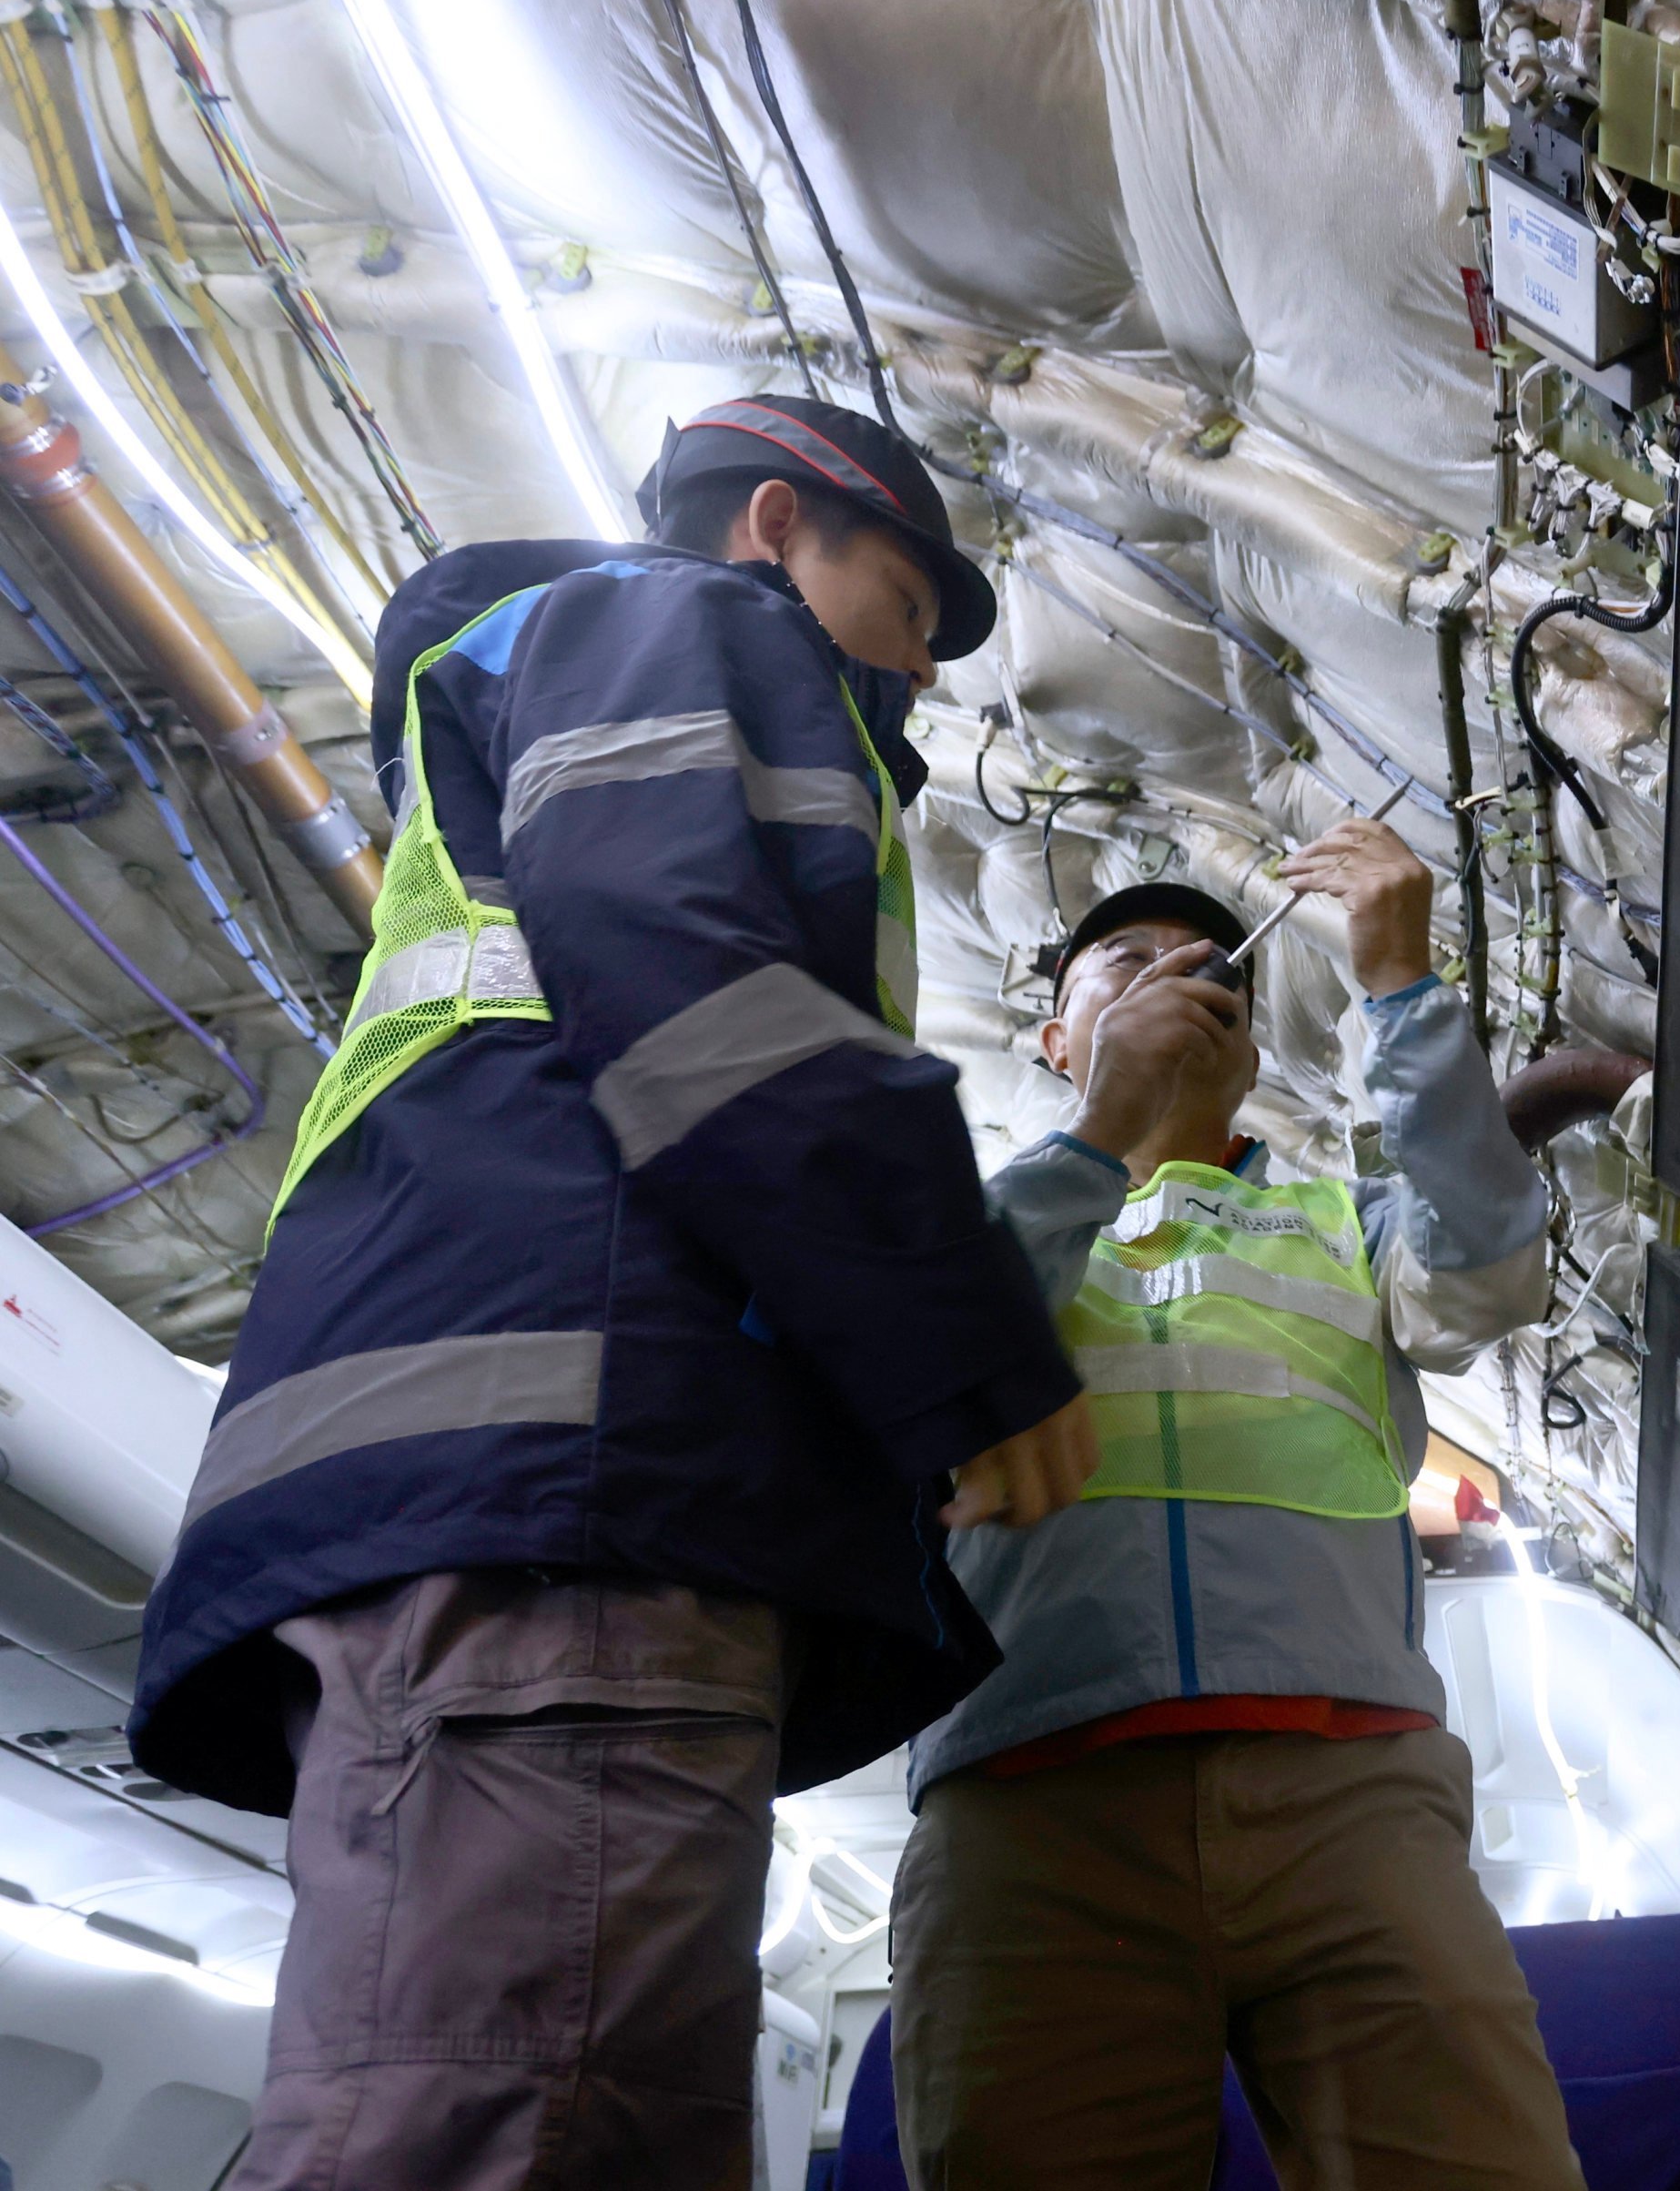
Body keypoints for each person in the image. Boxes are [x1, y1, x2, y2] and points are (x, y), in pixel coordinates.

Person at [127, 395, 1099, 2190]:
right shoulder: (680, 622)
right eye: (899, 609)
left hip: (527, 1475)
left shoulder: (533, 696)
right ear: (775, 532)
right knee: (533, 2117)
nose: (918, 680)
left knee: (513, 2098)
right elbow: (686, 969)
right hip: (573, 1477)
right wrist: (957, 1341)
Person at [886, 836, 1584, 2190]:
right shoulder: (965, 1227)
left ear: (1256, 1056)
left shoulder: (1350, 1221)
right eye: (1126, 965)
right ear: (1052, 1037)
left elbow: (1493, 1267)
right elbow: (922, 1356)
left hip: (1350, 1789)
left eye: (1211, 965)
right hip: (1033, 1807)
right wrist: (1098, 1136)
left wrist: (1399, 989)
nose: (1184, 972)